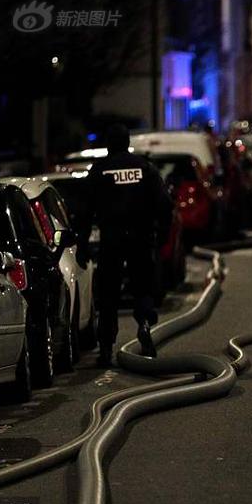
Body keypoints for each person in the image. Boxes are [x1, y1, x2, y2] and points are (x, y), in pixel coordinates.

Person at [77, 124, 173, 366]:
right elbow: (164, 204)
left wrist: (82, 244)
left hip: (112, 239)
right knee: (143, 286)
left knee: (108, 293)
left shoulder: (100, 170)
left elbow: (85, 211)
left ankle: (107, 348)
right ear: (127, 142)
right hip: (141, 238)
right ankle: (145, 325)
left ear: (109, 144)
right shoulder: (145, 168)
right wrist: (162, 235)